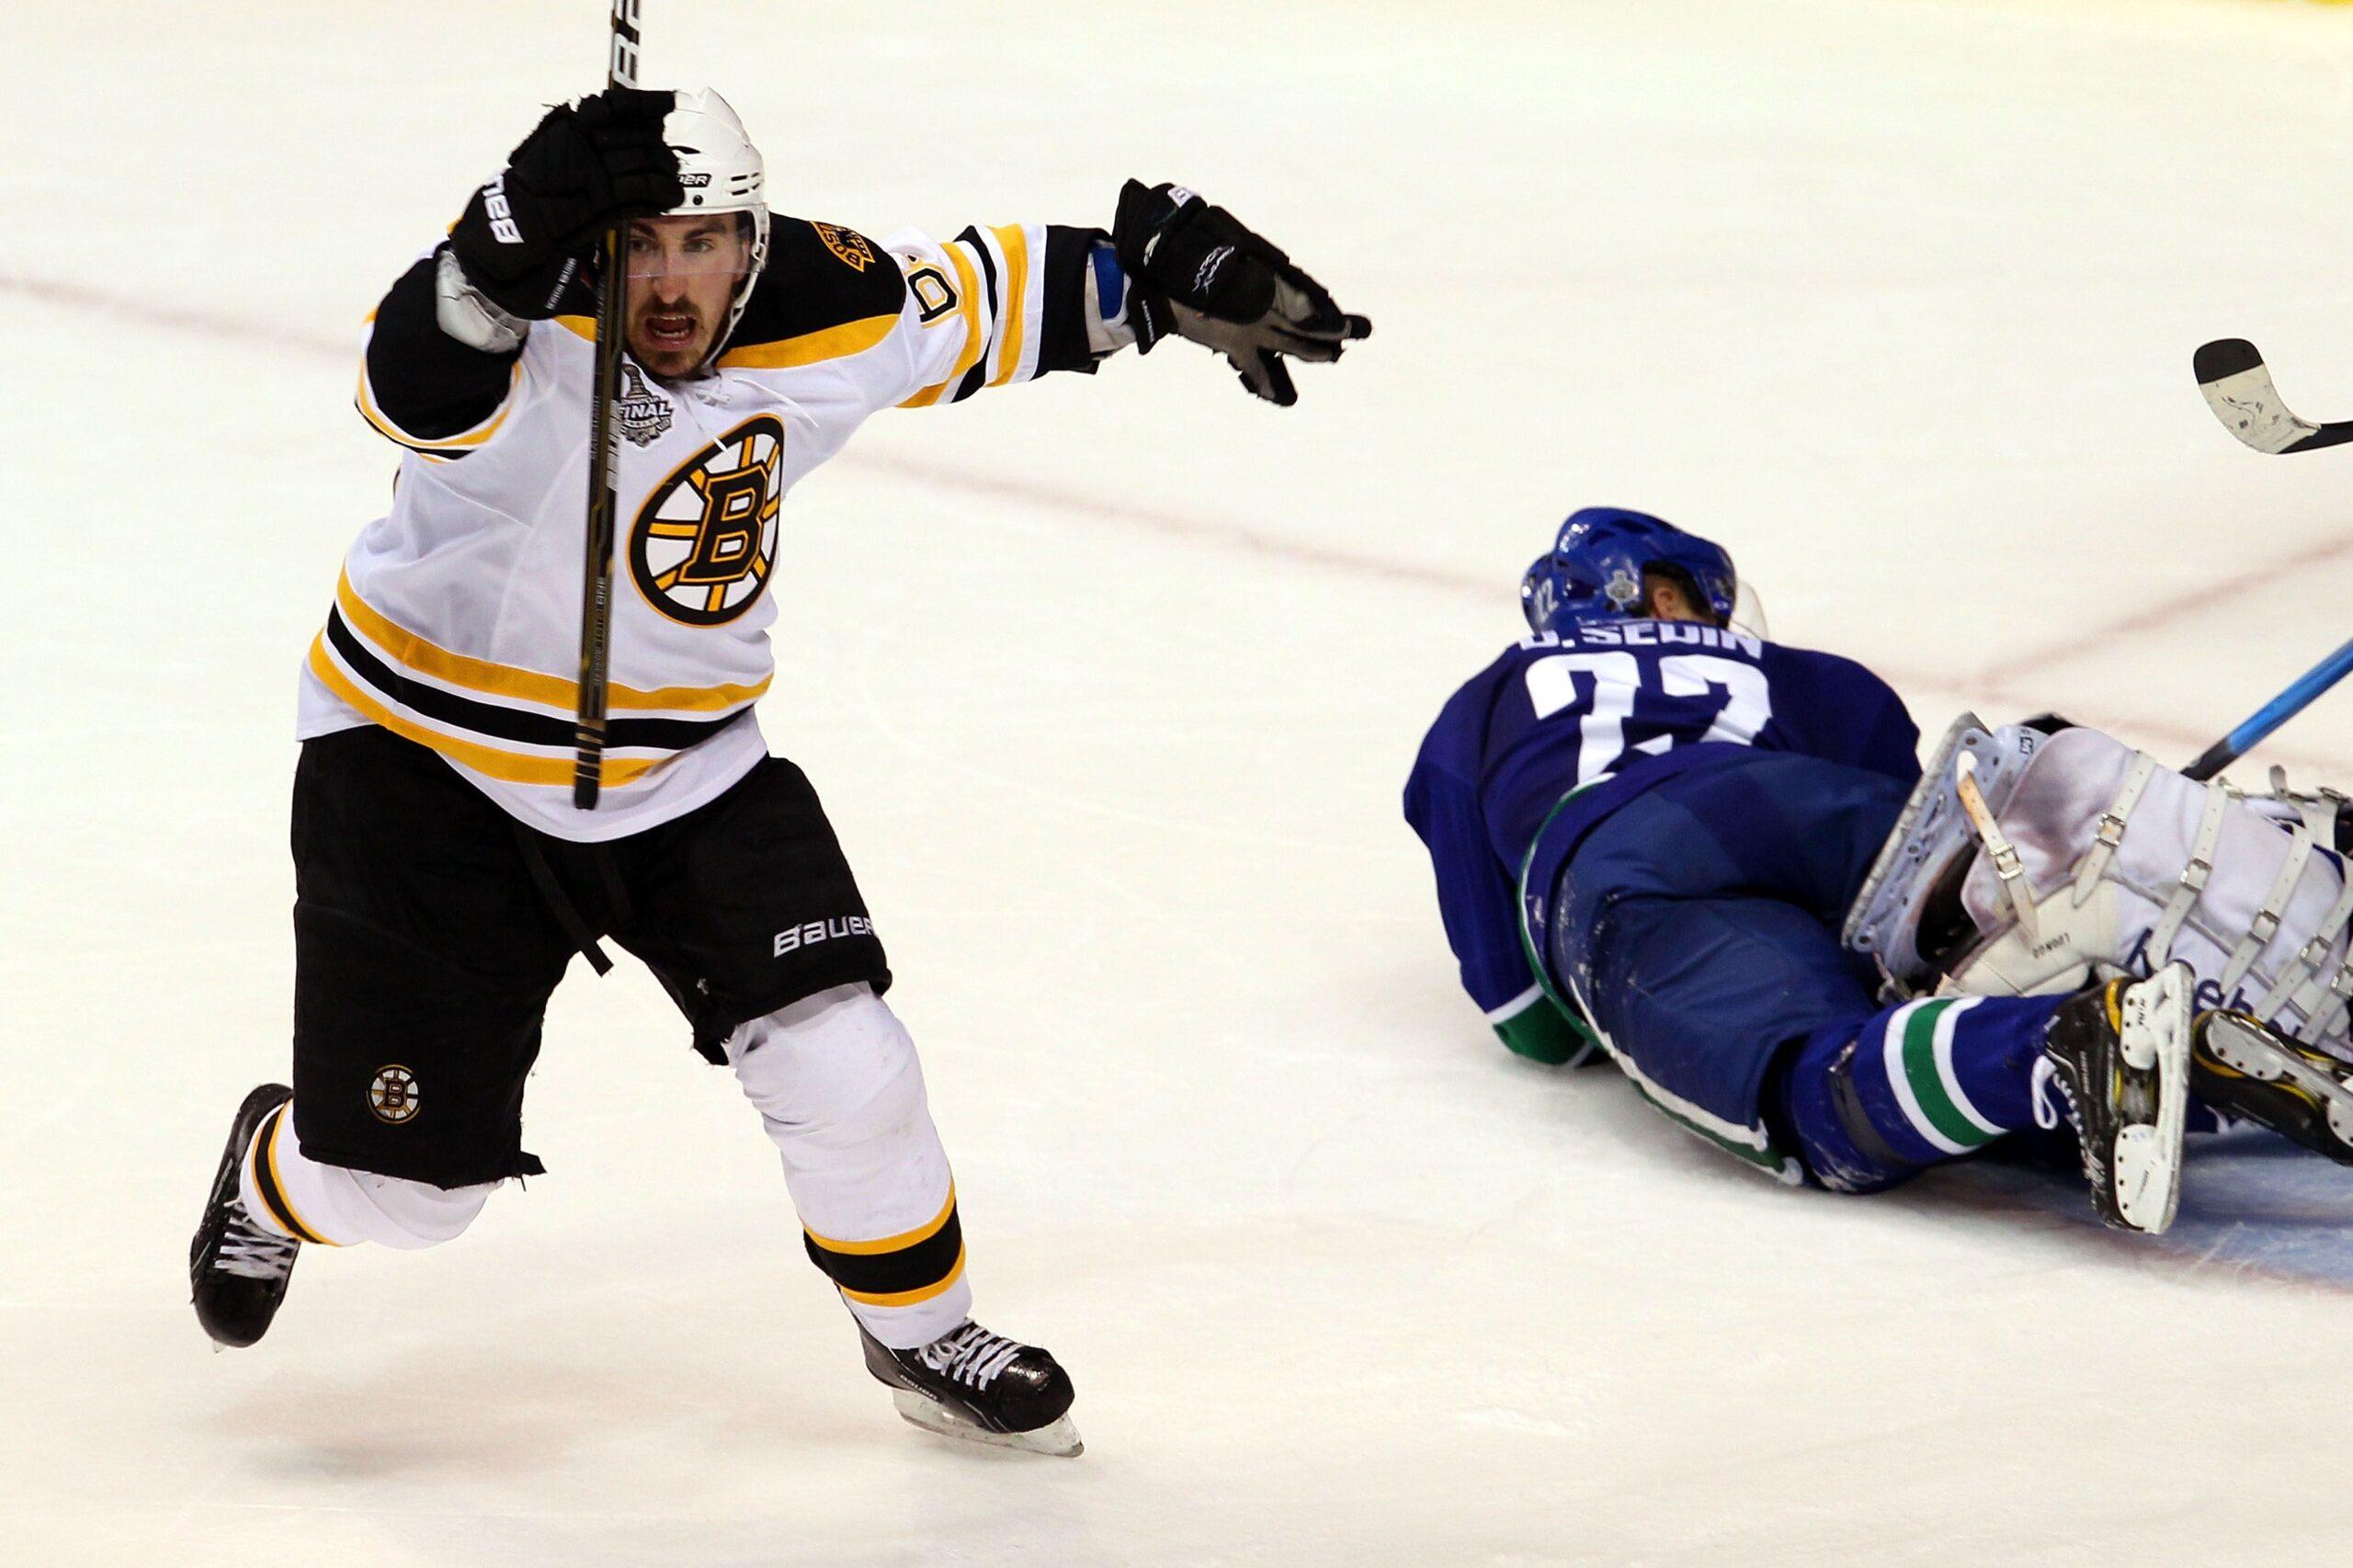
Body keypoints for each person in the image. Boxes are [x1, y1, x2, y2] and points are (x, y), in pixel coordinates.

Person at [188, 86, 1370, 1457]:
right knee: (409, 1200)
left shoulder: (825, 297)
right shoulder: (519, 296)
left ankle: (920, 1331)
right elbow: (409, 386)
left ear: (752, 239)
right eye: (642, 245)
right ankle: (276, 1172)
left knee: (848, 1058)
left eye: (703, 243)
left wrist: (1158, 277)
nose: (670, 283)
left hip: (687, 765)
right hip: (425, 766)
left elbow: (984, 297)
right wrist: (509, 228)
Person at [1404, 506, 2353, 1233]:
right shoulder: (1810, 676)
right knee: (1965, 956)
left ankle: (2066, 1047)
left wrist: (1625, 1000)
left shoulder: (1482, 704)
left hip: (1623, 853)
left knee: (1820, 1089)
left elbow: (1530, 1024)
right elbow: (1912, 887)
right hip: (1813, 793)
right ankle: (2286, 896)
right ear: (1663, 596)